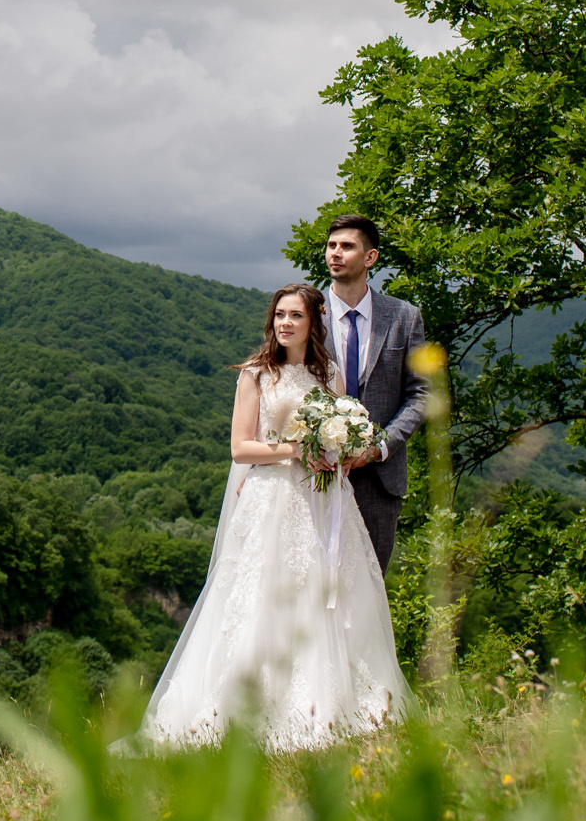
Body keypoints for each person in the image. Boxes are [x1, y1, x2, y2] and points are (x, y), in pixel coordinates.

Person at [135, 283, 408, 752]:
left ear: (313, 323)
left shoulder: (331, 376)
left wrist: (338, 452)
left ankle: (342, 706)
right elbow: (241, 447)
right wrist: (297, 452)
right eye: (279, 315)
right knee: (264, 598)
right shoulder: (256, 375)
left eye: (295, 316)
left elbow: (338, 440)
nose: (284, 323)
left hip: (326, 502)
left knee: (332, 599)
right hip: (273, 499)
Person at [321, 214, 429, 574]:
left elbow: (420, 394)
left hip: (380, 481)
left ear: (370, 258)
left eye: (347, 246)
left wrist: (379, 447)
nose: (335, 253)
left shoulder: (404, 317)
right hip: (315, 473)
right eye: (332, 245)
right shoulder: (306, 314)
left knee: (368, 593)